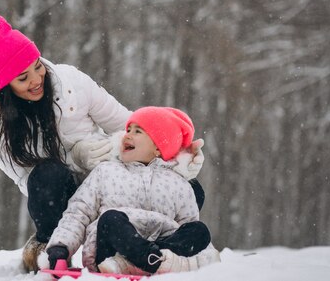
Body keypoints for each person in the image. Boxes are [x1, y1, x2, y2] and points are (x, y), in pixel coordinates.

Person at [0, 14, 205, 272]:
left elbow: (126, 122)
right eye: (23, 78)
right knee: (46, 176)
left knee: (191, 190)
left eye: (37, 66)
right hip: (62, 193)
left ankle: (155, 249)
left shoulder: (71, 81)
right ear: (6, 85)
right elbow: (25, 179)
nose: (37, 80)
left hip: (111, 178)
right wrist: (76, 157)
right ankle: (53, 248)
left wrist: (178, 159)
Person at [43, 107, 220, 275]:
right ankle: (148, 261)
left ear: (158, 148)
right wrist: (61, 247)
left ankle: (152, 260)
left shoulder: (179, 184)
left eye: (138, 131)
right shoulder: (106, 171)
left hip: (161, 246)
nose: (127, 135)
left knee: (199, 230)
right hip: (112, 252)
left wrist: (204, 252)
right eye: (128, 130)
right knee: (111, 219)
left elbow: (186, 225)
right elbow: (78, 212)